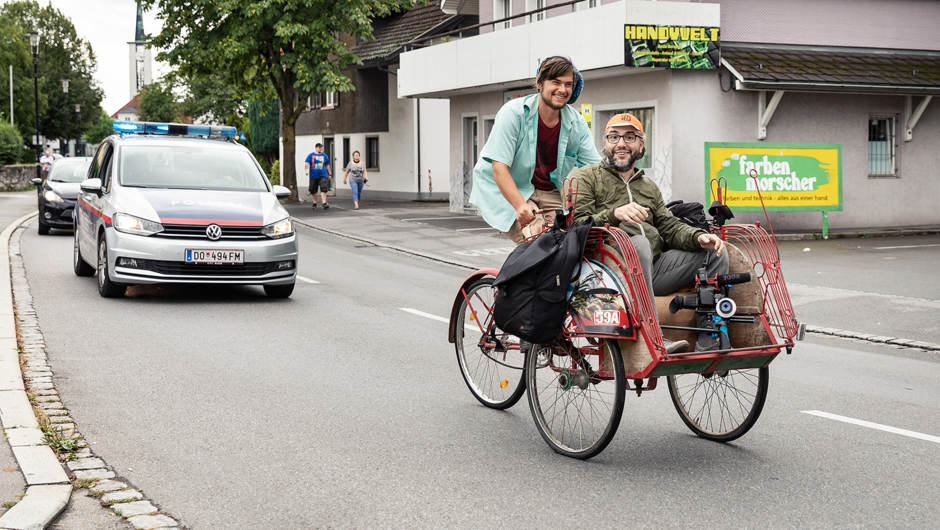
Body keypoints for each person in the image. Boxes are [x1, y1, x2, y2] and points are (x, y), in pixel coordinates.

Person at [565, 113, 729, 353]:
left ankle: (709, 334)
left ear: (641, 146)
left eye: (629, 137)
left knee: (715, 251)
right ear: (605, 144)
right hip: (608, 272)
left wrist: (698, 237)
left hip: (652, 268)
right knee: (639, 243)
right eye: (614, 137)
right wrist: (614, 214)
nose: (621, 143)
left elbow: (669, 226)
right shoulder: (586, 177)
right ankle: (652, 336)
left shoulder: (648, 186)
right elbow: (576, 226)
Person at [469, 56, 602, 245]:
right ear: (539, 83)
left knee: (574, 239)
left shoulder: (577, 123)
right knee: (540, 242)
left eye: (568, 84)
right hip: (508, 188)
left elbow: (596, 170)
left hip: (549, 191)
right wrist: (520, 206)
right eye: (556, 82)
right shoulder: (513, 114)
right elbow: (499, 169)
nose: (562, 89)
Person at [304, 143, 331, 209]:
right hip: (313, 175)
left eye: (321, 147)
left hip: (323, 174)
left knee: (324, 188)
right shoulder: (311, 155)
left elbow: (327, 165)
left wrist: (329, 174)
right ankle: (314, 203)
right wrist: (306, 170)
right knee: (313, 190)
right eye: (319, 147)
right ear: (316, 147)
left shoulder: (324, 155)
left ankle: (324, 203)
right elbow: (307, 163)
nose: (320, 149)